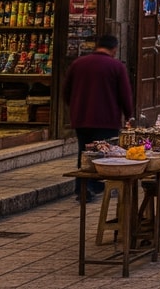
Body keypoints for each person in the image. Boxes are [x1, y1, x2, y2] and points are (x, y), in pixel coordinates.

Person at [64, 33, 134, 201]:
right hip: (106, 119)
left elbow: (66, 91)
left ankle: (82, 187)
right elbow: (125, 94)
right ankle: (96, 185)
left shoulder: (78, 64)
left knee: (85, 153)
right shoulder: (116, 66)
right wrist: (129, 115)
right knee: (103, 153)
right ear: (114, 49)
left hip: (81, 118)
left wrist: (75, 107)